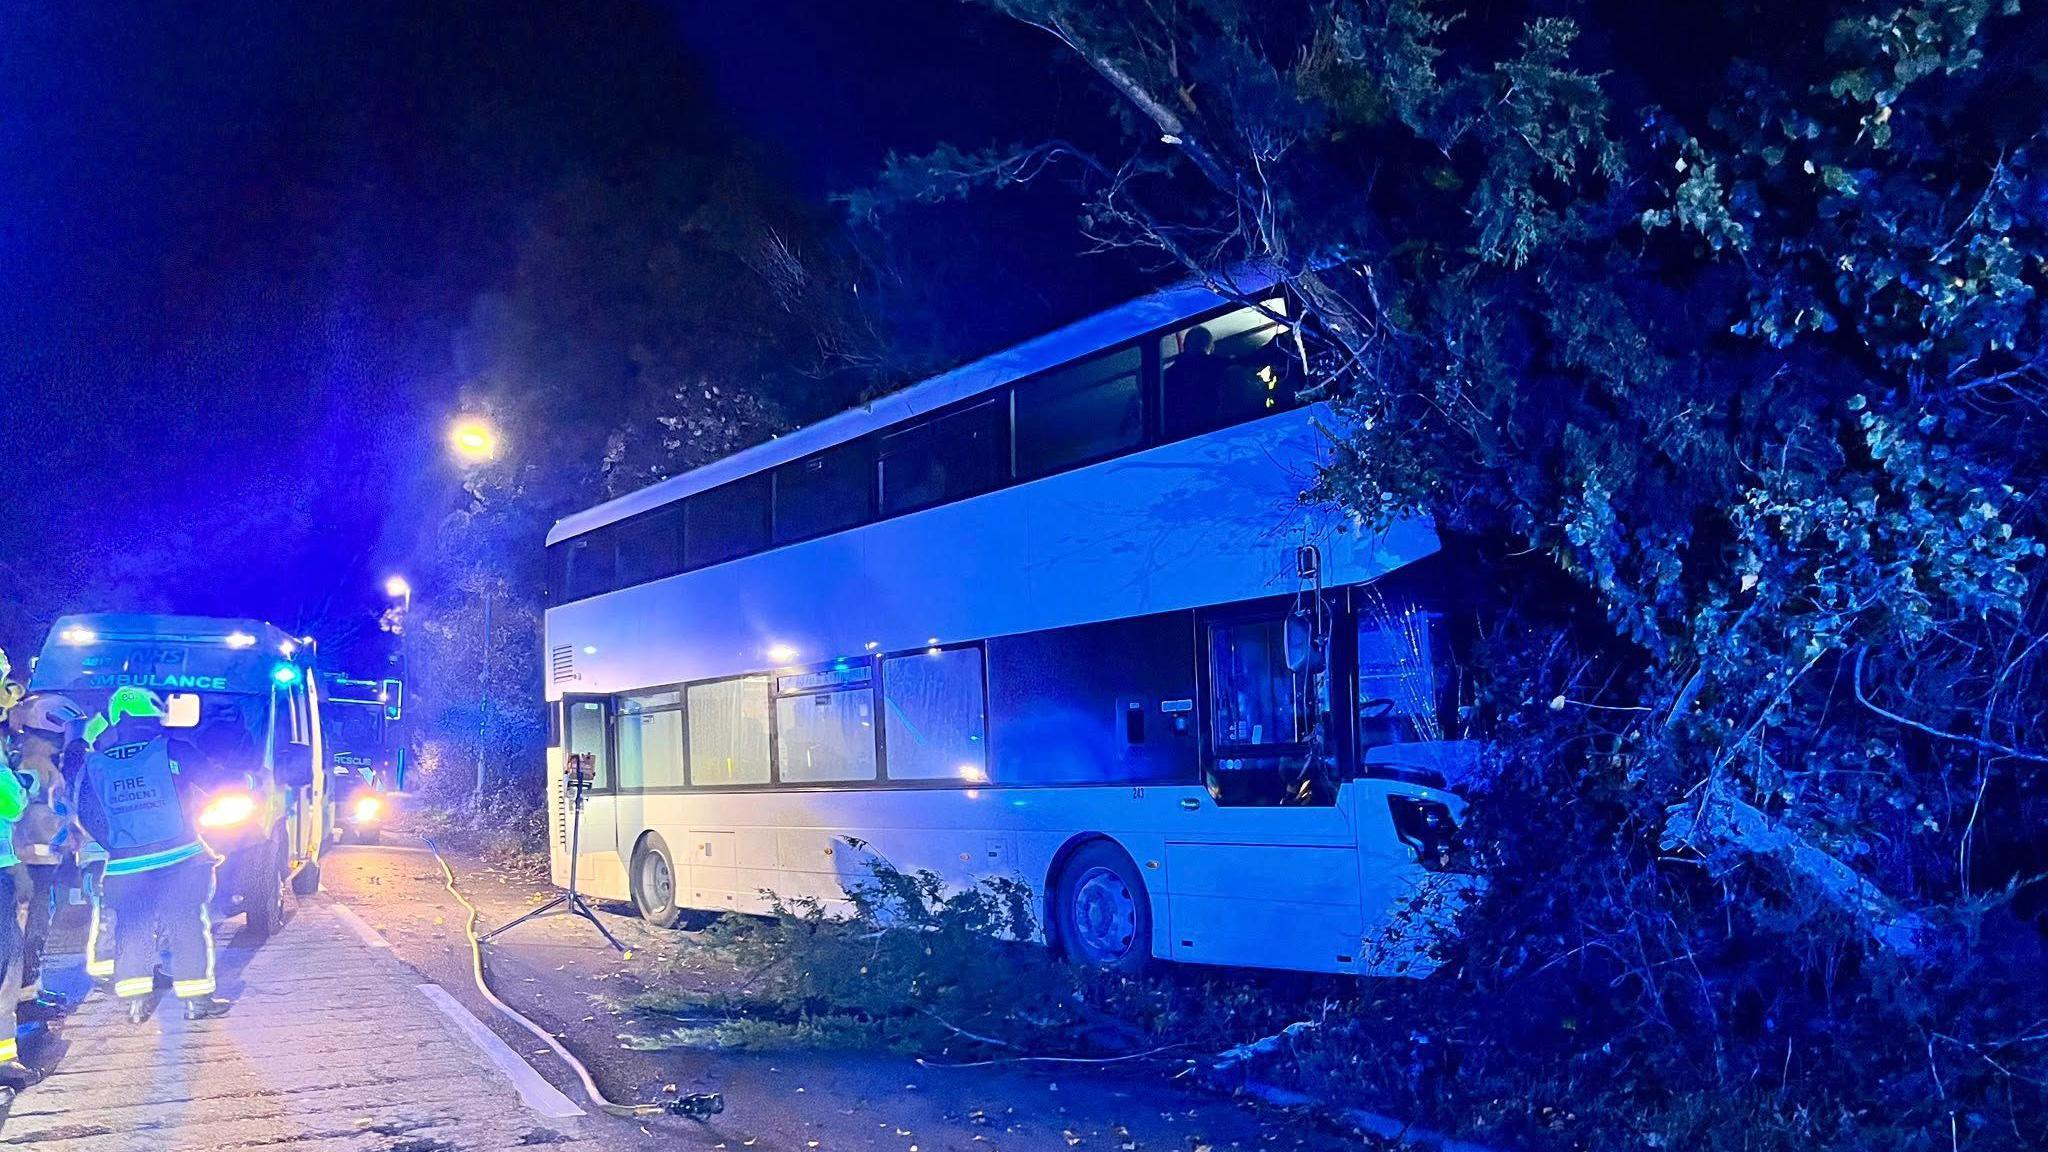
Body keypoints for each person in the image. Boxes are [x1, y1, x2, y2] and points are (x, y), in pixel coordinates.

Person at [71, 687, 231, 1023]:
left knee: (131, 928)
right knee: (186, 925)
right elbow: (217, 782)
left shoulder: (96, 763)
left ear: (118, 719)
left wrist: (118, 843)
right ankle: (196, 1001)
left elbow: (86, 813)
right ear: (153, 715)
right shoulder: (172, 748)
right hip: (181, 858)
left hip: (126, 865)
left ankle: (135, 1002)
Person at [5, 695, 87, 1020]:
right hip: (33, 861)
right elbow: (37, 814)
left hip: (40, 860)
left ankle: (30, 991)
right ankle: (25, 998)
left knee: (36, 925)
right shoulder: (35, 766)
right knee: (32, 928)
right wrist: (67, 831)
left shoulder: (37, 761)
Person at [1163, 325, 1227, 439]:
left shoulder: (1167, 376)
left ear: (1184, 346)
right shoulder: (1220, 366)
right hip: (1213, 431)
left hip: (1176, 436)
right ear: (1212, 348)